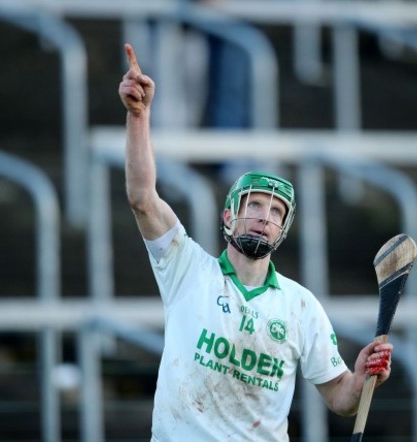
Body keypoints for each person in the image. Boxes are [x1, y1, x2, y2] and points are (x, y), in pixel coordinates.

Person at [118, 43, 394, 441]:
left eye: (277, 212)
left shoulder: (300, 305)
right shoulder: (187, 268)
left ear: (283, 229)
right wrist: (138, 116)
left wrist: (363, 380)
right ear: (228, 215)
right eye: (255, 205)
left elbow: (340, 398)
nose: (266, 216)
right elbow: (142, 199)